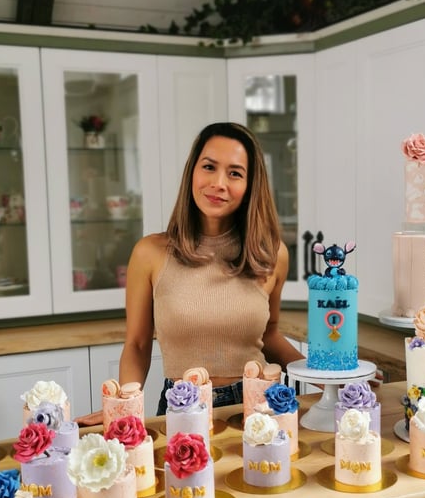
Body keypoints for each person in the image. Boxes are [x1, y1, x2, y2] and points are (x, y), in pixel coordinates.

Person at [119, 121, 305, 415]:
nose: (219, 183)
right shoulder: (149, 253)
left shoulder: (272, 254)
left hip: (257, 406)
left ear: (250, 185)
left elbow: (269, 335)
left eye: (235, 173)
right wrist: (123, 408)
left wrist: (330, 380)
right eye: (208, 167)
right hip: (181, 405)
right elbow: (138, 344)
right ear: (192, 172)